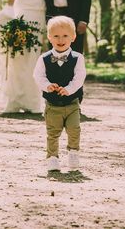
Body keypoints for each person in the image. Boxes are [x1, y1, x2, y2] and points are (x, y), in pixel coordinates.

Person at [33, 16, 86, 171]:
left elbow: (79, 77)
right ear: (49, 37)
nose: (60, 39)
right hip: (52, 105)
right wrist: (47, 85)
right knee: (53, 132)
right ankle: (52, 157)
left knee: (74, 129)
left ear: (73, 37)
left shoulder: (78, 58)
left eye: (65, 36)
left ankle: (73, 153)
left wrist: (68, 89)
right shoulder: (44, 58)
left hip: (72, 103)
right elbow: (38, 76)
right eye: (56, 36)